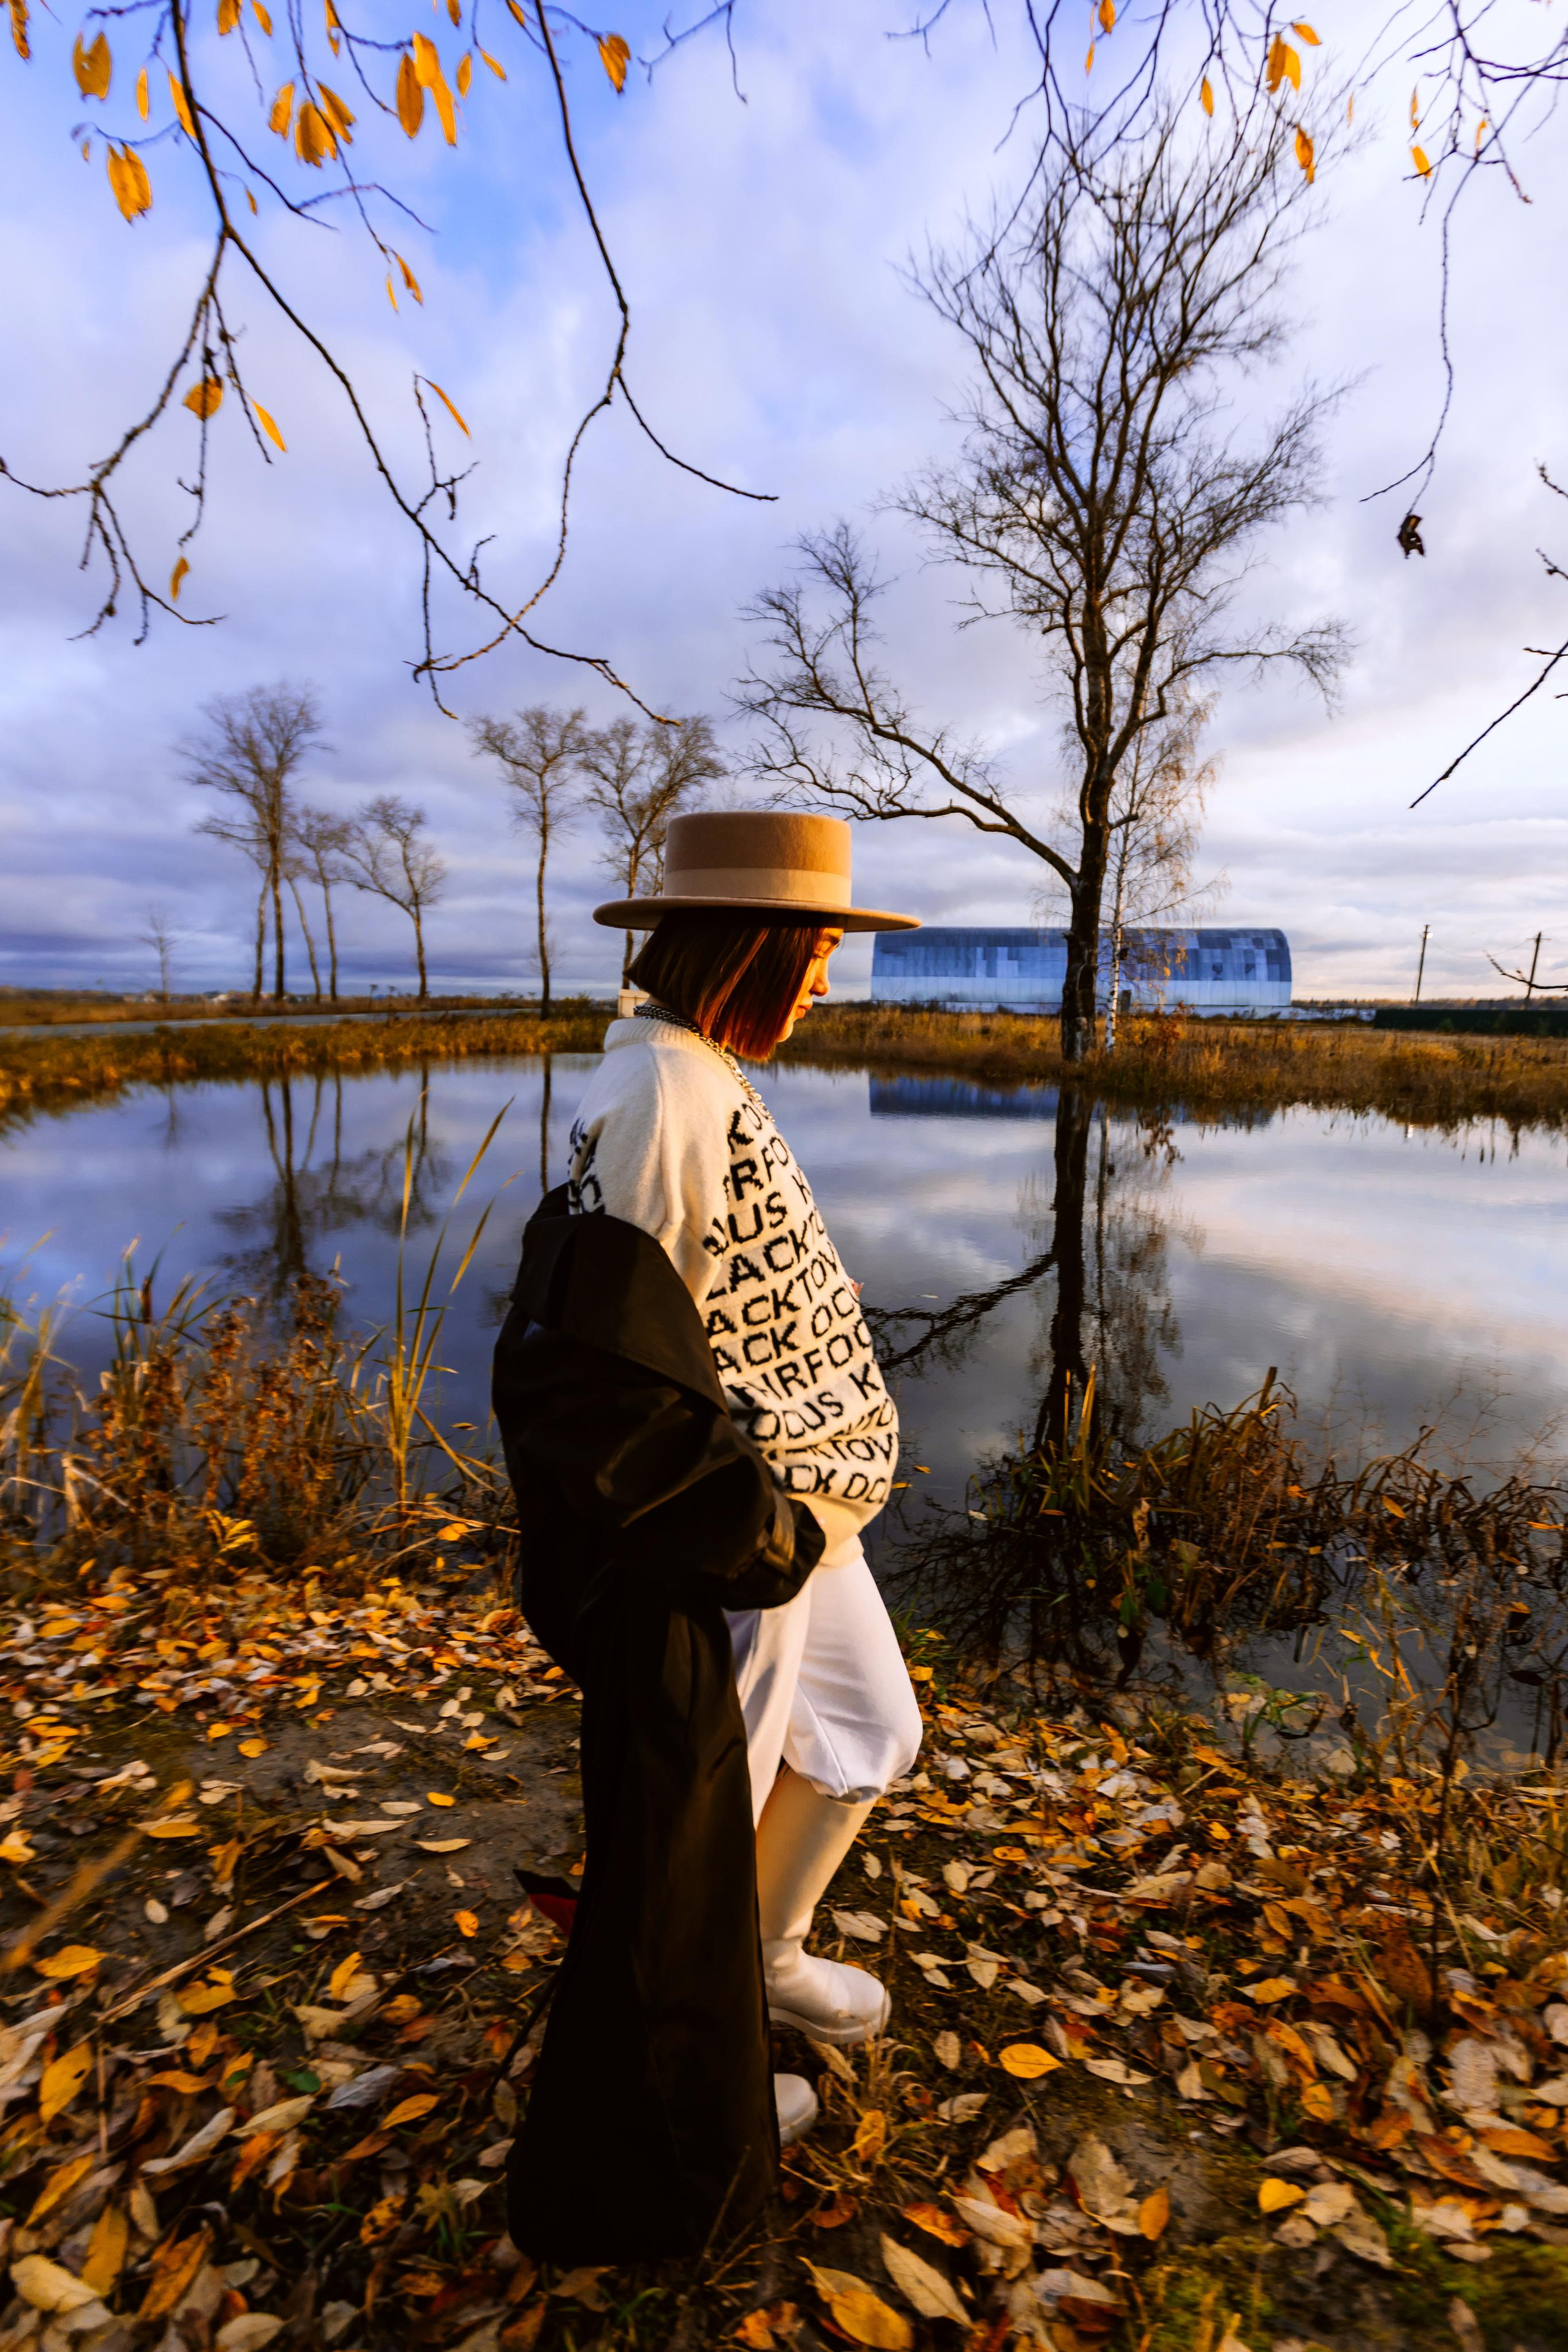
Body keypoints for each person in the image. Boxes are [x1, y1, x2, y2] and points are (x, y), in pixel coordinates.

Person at [491, 810, 924, 2265]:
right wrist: (729, 1519)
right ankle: (701, 2079)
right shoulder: (665, 1094)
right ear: (741, 945)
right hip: (746, 1528)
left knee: (868, 1733)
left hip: (814, 1515)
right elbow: (620, 1358)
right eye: (810, 955)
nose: (821, 986)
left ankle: (768, 1960)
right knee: (690, 1831)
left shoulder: (699, 1071)